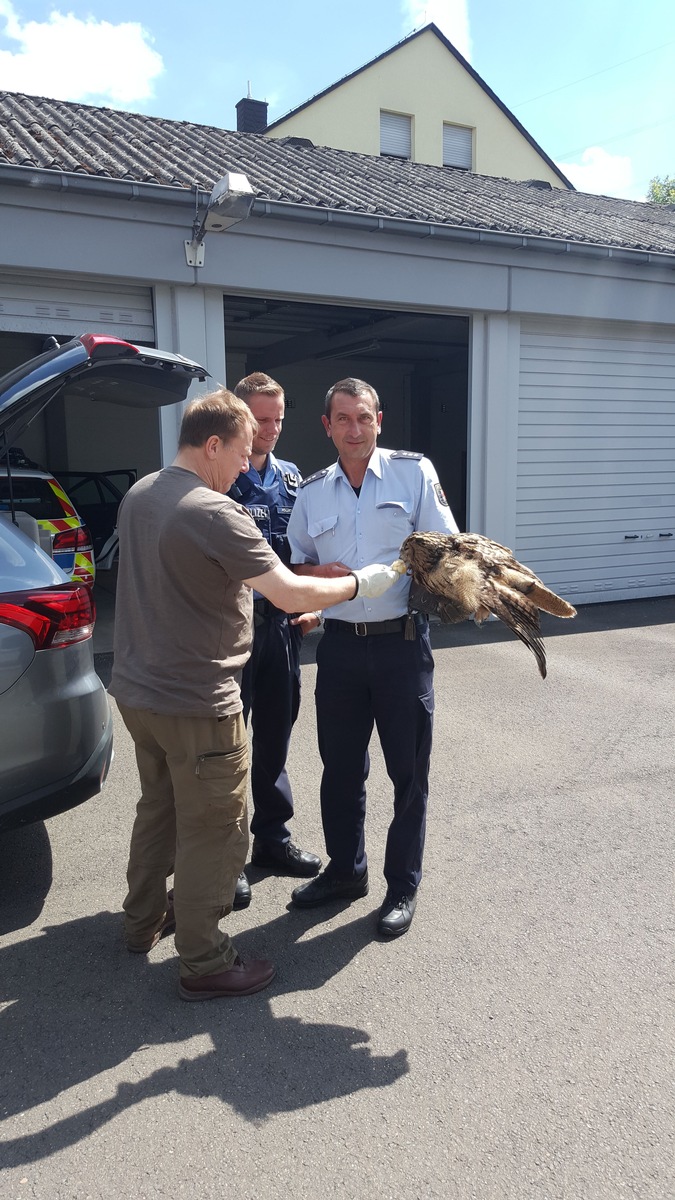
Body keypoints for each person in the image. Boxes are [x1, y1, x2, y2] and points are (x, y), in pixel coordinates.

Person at [110, 387, 399, 1000]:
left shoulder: (142, 493)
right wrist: (356, 584)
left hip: (139, 693)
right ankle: (206, 960)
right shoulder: (215, 512)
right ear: (212, 445)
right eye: (241, 451)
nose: (248, 464)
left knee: (158, 807)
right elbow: (290, 593)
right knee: (217, 827)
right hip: (197, 700)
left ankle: (141, 924)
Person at [287, 377, 458, 938]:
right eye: (343, 419)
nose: (354, 429)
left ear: (379, 419)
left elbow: (448, 553)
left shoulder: (413, 473)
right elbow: (295, 562)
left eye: (364, 417)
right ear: (327, 426)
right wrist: (320, 579)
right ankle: (345, 871)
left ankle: (402, 884)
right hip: (337, 652)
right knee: (339, 770)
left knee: (407, 773)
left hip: (401, 647)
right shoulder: (313, 492)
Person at [228, 372, 321, 882]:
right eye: (262, 419)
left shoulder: (292, 479)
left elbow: (306, 556)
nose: (272, 428)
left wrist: (315, 606)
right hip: (231, 630)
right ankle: (228, 853)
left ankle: (272, 841)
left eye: (279, 419)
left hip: (281, 629)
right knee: (225, 747)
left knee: (274, 741)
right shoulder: (220, 477)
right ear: (240, 416)